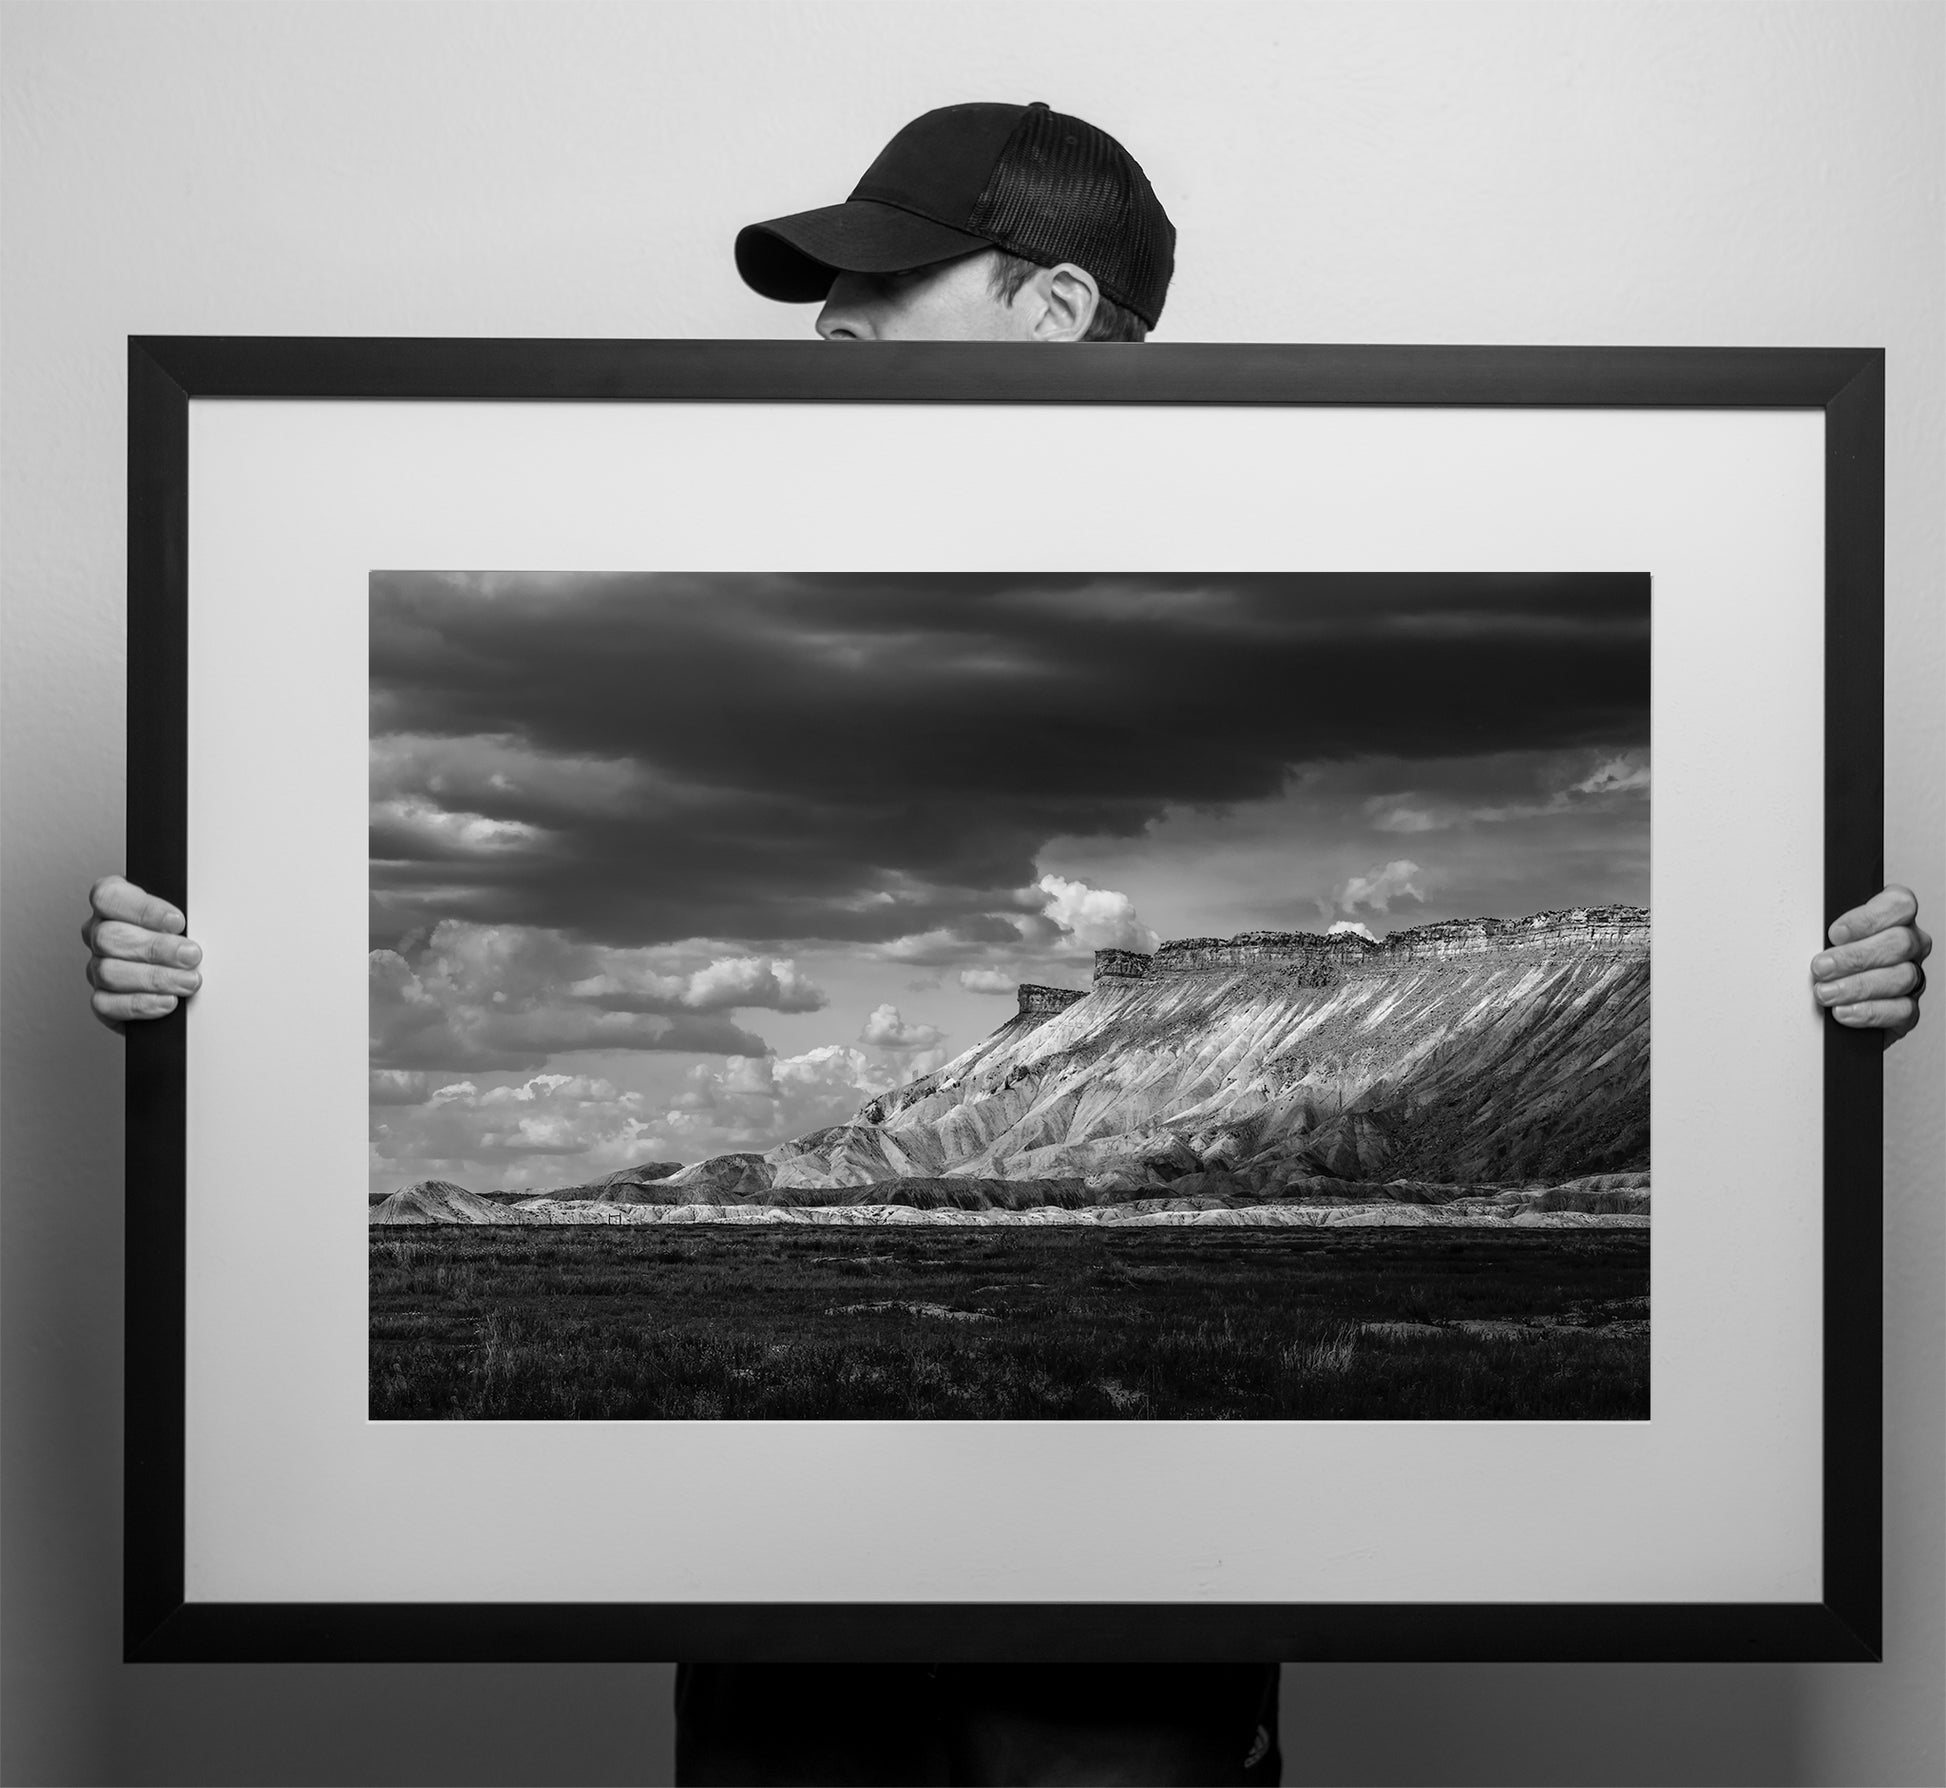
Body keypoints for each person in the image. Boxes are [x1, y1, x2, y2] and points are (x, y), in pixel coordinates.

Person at [81, 99, 1929, 1785]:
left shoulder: (1376, 496)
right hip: (778, 1623)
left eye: (886, 284)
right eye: (824, 290)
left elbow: (1739, 936)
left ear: (1054, 311)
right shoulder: (636, 513)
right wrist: (217, 980)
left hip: (1147, 1630)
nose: (831, 324)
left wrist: (1799, 982)